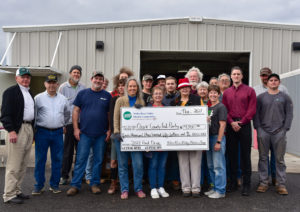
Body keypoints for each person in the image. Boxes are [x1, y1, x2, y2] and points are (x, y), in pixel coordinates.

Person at [66, 72, 111, 196]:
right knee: (81, 160)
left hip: (101, 135)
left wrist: (109, 129)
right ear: (91, 79)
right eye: (96, 78)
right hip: (85, 133)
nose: (98, 80)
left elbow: (109, 115)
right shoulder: (82, 94)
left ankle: (95, 184)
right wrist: (76, 128)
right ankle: (75, 185)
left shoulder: (107, 96)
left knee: (98, 160)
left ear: (103, 81)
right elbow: (75, 111)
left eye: (100, 79)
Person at [254, 73, 293, 195]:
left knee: (279, 159)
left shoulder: (285, 97)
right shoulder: (260, 97)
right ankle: (263, 182)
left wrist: (285, 129)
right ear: (267, 83)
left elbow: (289, 114)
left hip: (279, 132)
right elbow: (256, 114)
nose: (273, 82)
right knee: (263, 158)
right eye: (271, 80)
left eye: (276, 80)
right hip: (263, 132)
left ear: (279, 83)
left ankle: (281, 184)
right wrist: (258, 128)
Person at [1, 68, 34, 204]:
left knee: (23, 163)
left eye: (27, 77)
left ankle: (17, 191)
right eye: (22, 77)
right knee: (14, 164)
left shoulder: (29, 92)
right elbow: (5, 113)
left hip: (28, 128)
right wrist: (11, 130)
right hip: (17, 129)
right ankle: (8, 194)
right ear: (16, 78)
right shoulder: (10, 92)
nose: (25, 79)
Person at [33, 74, 70, 195]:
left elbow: (67, 114)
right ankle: (39, 186)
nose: (52, 85)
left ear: (57, 84)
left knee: (57, 159)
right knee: (40, 160)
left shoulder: (63, 99)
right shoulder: (38, 98)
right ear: (45, 84)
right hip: (42, 132)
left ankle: (54, 185)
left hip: (58, 132)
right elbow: (34, 115)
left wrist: (62, 124)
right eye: (49, 82)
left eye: (54, 82)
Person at [222, 66, 256, 196]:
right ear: (231, 76)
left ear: (242, 76)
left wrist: (242, 122)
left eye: (238, 74)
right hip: (231, 125)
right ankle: (233, 183)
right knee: (232, 155)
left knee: (245, 156)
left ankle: (246, 184)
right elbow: (224, 109)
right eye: (234, 74)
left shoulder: (250, 91)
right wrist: (231, 122)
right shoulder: (227, 93)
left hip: (245, 125)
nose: (236, 76)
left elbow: (252, 109)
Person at [112, 77, 146, 199]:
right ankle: (124, 189)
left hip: (136, 138)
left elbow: (144, 120)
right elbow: (115, 117)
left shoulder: (141, 102)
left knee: (138, 164)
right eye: (130, 86)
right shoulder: (120, 100)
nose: (132, 88)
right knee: (122, 165)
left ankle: (138, 188)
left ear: (137, 88)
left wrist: (140, 110)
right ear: (127, 88)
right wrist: (116, 132)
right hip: (121, 137)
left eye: (134, 86)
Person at [171, 78, 202, 197]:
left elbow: (205, 113)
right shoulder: (175, 102)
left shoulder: (197, 99)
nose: (184, 89)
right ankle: (185, 188)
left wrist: (206, 119)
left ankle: (195, 188)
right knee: (183, 163)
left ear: (190, 88)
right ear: (179, 89)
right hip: (180, 138)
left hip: (196, 136)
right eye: (182, 88)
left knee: (196, 163)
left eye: (187, 87)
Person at [59, 65, 86, 185]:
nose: (76, 75)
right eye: (74, 72)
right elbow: (59, 106)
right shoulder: (63, 88)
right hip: (69, 123)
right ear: (70, 73)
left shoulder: (83, 88)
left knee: (81, 151)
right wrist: (62, 124)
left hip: (82, 123)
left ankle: (78, 175)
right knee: (68, 151)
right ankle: (64, 176)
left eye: (78, 73)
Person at [205, 85, 227, 199]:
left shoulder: (221, 107)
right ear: (208, 94)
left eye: (215, 93)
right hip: (208, 138)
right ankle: (214, 188)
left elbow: (222, 125)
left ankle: (221, 190)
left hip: (216, 138)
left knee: (219, 166)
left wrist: (219, 141)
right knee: (210, 165)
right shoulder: (208, 108)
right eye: (211, 93)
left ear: (219, 94)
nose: (213, 95)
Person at [147, 86, 169, 199]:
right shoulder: (147, 108)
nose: (158, 95)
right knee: (153, 165)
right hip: (152, 143)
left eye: (160, 93)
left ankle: (160, 186)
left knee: (162, 165)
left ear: (163, 95)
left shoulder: (167, 108)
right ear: (152, 95)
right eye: (156, 93)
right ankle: (153, 187)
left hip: (165, 143)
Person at [107, 79, 126, 194]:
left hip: (129, 134)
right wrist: (114, 131)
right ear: (117, 88)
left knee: (125, 162)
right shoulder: (113, 100)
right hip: (116, 134)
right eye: (120, 86)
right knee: (113, 160)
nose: (121, 88)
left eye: (124, 86)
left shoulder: (130, 100)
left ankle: (123, 182)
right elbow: (111, 117)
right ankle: (113, 183)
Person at [162, 76, 181, 190]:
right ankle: (164, 180)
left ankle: (175, 180)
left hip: (177, 132)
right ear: (165, 85)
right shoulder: (161, 98)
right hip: (163, 132)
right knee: (164, 157)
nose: (170, 85)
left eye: (172, 83)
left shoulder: (180, 97)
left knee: (175, 158)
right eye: (168, 83)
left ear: (175, 85)